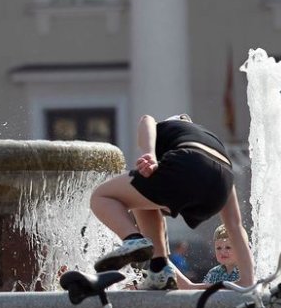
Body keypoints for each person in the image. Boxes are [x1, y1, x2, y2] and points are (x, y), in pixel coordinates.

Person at [90, 113, 254, 290]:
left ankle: (132, 240)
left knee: (101, 196)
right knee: (143, 201)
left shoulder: (168, 128)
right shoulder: (209, 141)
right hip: (223, 180)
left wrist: (149, 153)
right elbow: (235, 226)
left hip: (187, 164)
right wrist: (247, 281)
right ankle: (160, 270)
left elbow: (147, 119)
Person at [173, 224, 249, 290]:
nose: (222, 252)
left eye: (228, 247)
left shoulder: (246, 272)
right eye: (218, 248)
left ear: (242, 248)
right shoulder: (213, 273)